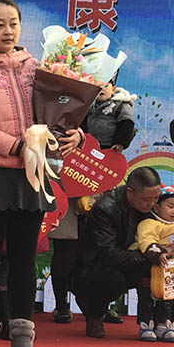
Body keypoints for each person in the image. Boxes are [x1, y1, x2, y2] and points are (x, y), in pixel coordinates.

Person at [0, 0, 81, 347]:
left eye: (13, 24)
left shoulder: (36, 68)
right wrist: (16, 147)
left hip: (30, 176)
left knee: (24, 258)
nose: (8, 31)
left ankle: (23, 333)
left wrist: (75, 133)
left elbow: (56, 115)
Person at [50, 74, 135, 324]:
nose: (101, 88)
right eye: (97, 84)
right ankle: (61, 305)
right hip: (70, 174)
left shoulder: (122, 105)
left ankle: (99, 307)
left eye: (106, 83)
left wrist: (117, 144)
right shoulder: (75, 102)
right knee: (65, 249)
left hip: (102, 176)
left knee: (100, 248)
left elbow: (126, 129)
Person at [73, 166, 161, 339]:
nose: (152, 204)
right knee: (114, 279)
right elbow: (108, 253)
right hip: (96, 265)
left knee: (164, 271)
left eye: (156, 198)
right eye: (146, 199)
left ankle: (159, 321)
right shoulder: (106, 208)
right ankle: (94, 314)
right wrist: (148, 258)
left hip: (134, 258)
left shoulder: (155, 209)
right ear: (130, 192)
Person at [131, 186, 174, 341]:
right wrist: (160, 253)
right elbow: (146, 241)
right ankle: (146, 324)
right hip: (148, 268)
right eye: (170, 206)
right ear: (156, 207)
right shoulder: (149, 223)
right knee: (147, 297)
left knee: (168, 298)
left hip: (169, 272)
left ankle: (163, 325)